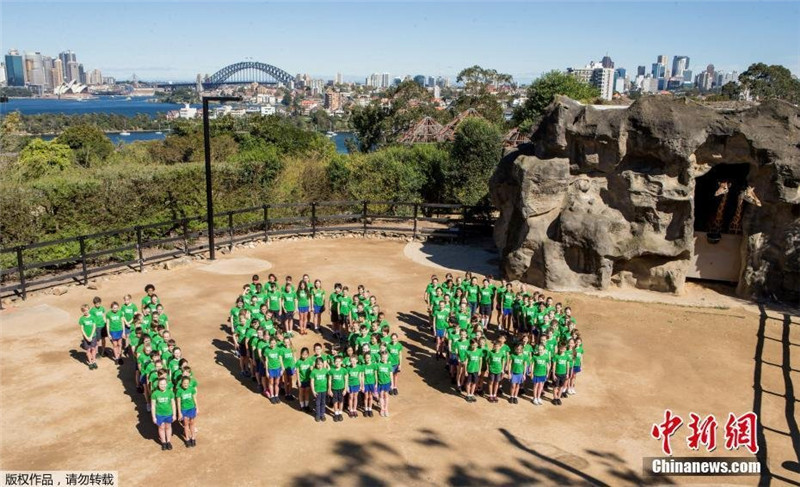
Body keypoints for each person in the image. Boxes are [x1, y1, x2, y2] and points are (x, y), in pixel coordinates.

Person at [151, 377, 176, 451]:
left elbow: (173, 404)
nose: (163, 385)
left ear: (166, 384)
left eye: (164, 384)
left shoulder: (170, 393)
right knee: (161, 428)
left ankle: (168, 441)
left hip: (169, 413)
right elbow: (153, 406)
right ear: (158, 385)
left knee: (168, 427)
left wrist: (174, 414)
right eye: (161, 384)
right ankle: (164, 442)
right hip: (159, 414)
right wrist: (154, 417)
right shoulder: (155, 394)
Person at [176, 375, 198, 447]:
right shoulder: (179, 391)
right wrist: (179, 412)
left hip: (191, 408)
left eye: (187, 383)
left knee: (192, 423)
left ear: (189, 383)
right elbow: (178, 403)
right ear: (181, 383)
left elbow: (194, 399)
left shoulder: (191, 389)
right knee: (186, 424)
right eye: (184, 383)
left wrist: (197, 407)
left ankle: (193, 438)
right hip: (184, 409)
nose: (186, 384)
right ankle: (187, 439)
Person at [263, 337, 283, 404]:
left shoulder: (278, 350)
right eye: (271, 343)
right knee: (271, 382)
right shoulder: (267, 350)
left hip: (278, 368)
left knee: (277, 383)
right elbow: (266, 361)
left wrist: (282, 368)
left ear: (276, 343)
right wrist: (266, 371)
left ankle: (276, 396)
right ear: (269, 343)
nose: (273, 344)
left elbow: (280, 359)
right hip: (271, 369)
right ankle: (272, 396)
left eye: (274, 343)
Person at [78, 304, 98, 369]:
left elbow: (94, 327)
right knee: (88, 350)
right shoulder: (82, 319)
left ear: (89, 310)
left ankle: (94, 361)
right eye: (84, 311)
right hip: (86, 337)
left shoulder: (93, 317)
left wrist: (91, 336)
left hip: (93, 336)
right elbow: (82, 329)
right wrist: (86, 337)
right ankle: (90, 363)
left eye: (87, 310)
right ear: (82, 311)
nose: (85, 312)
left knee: (93, 349)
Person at [328, 356, 347, 422]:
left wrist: (345, 389)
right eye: (336, 361)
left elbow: (346, 380)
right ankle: (336, 413)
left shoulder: (344, 370)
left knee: (341, 401)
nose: (337, 363)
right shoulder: (331, 370)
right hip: (334, 389)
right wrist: (329, 389)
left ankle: (340, 413)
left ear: (341, 362)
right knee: (335, 401)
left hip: (341, 388)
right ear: (334, 362)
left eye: (339, 361)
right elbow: (330, 380)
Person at [361, 352, 378, 417]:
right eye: (366, 358)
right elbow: (362, 376)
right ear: (364, 359)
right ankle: (366, 409)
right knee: (366, 396)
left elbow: (376, 375)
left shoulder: (374, 365)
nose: (367, 359)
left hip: (372, 383)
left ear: (371, 358)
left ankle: (370, 409)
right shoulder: (363, 366)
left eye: (369, 357)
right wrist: (362, 385)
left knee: (371, 396)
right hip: (366, 383)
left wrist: (376, 383)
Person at [376, 351, 393, 417]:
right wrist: (377, 383)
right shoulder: (378, 365)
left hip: (387, 383)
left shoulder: (389, 365)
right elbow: (376, 375)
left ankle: (386, 409)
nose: (384, 358)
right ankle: (382, 409)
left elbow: (391, 374)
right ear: (381, 357)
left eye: (385, 357)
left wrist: (392, 383)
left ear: (387, 357)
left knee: (386, 396)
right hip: (380, 383)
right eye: (383, 357)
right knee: (381, 395)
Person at [280, 336, 297, 401]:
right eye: (285, 342)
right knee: (286, 380)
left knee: (290, 380)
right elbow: (281, 359)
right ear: (284, 342)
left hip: (291, 367)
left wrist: (295, 366)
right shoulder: (282, 349)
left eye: (288, 342)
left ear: (290, 342)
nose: (287, 343)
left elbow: (294, 358)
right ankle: (286, 394)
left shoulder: (292, 348)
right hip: (285, 367)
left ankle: (289, 393)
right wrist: (282, 367)